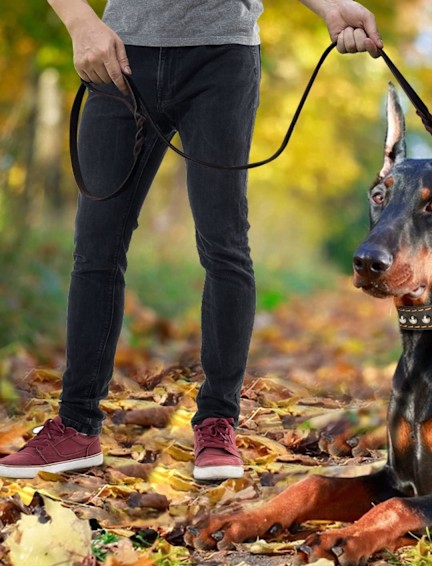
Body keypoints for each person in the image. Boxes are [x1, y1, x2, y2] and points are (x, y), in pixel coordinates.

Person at [0, 0, 382, 481]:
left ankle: (219, 422)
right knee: (95, 246)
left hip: (221, 59)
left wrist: (329, 7)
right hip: (118, 55)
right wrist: (81, 24)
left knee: (224, 244)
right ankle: (76, 428)